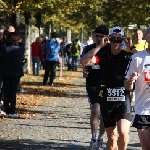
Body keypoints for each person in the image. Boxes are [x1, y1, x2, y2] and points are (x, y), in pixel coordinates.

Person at [80, 26, 132, 150]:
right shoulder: (102, 55)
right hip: (107, 99)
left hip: (123, 98)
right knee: (112, 136)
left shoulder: (127, 56)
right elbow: (84, 61)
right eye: (113, 39)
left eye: (119, 40)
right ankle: (97, 139)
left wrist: (131, 46)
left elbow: (144, 59)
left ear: (122, 40)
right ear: (109, 39)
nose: (115, 42)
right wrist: (99, 47)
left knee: (123, 132)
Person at [81, 25, 110, 150]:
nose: (99, 38)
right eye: (97, 36)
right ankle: (93, 138)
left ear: (106, 37)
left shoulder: (111, 49)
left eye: (101, 36)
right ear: (93, 36)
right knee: (95, 110)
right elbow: (84, 61)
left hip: (107, 84)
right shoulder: (89, 48)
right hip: (92, 84)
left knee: (104, 113)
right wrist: (85, 69)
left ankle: (100, 138)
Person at [124, 27, 150, 150]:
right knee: (146, 147)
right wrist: (131, 81)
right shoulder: (137, 58)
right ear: (146, 37)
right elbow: (127, 86)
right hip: (143, 110)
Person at [0, 32, 24, 118]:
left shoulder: (4, 48)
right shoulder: (19, 49)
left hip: (6, 72)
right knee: (13, 92)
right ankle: (12, 110)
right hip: (15, 73)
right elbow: (21, 58)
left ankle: (6, 109)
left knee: (6, 92)